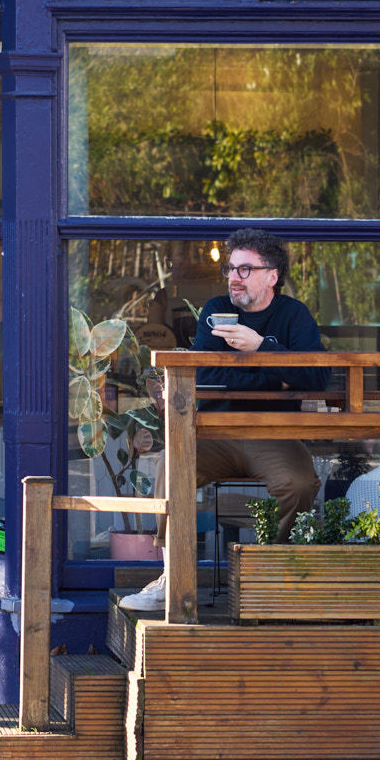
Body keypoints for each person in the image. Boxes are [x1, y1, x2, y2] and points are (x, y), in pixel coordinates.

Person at [119, 230, 326, 611]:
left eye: (245, 269)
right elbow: (207, 375)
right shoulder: (216, 310)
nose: (234, 277)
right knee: (171, 465)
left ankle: (271, 575)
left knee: (299, 484)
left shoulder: (293, 315)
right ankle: (171, 578)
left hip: (273, 434)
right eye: (231, 268)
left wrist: (260, 347)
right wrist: (277, 376)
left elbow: (316, 377)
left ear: (272, 275)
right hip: (214, 432)